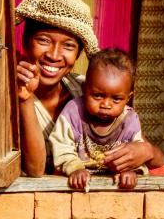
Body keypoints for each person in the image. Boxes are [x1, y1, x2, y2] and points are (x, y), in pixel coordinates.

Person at [15, 0, 164, 177]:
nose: (54, 55)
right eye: (43, 40)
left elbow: (159, 160)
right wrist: (26, 100)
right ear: (26, 42)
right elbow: (35, 170)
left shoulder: (90, 89)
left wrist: (145, 151)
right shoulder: (12, 94)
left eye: (68, 45)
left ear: (78, 54)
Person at [50, 48, 153, 190]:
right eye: (98, 95)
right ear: (85, 88)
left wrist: (131, 171)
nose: (106, 104)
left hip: (114, 188)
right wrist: (75, 169)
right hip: (78, 186)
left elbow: (137, 153)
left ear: (128, 98)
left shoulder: (129, 120)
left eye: (116, 99)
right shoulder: (73, 111)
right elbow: (61, 146)